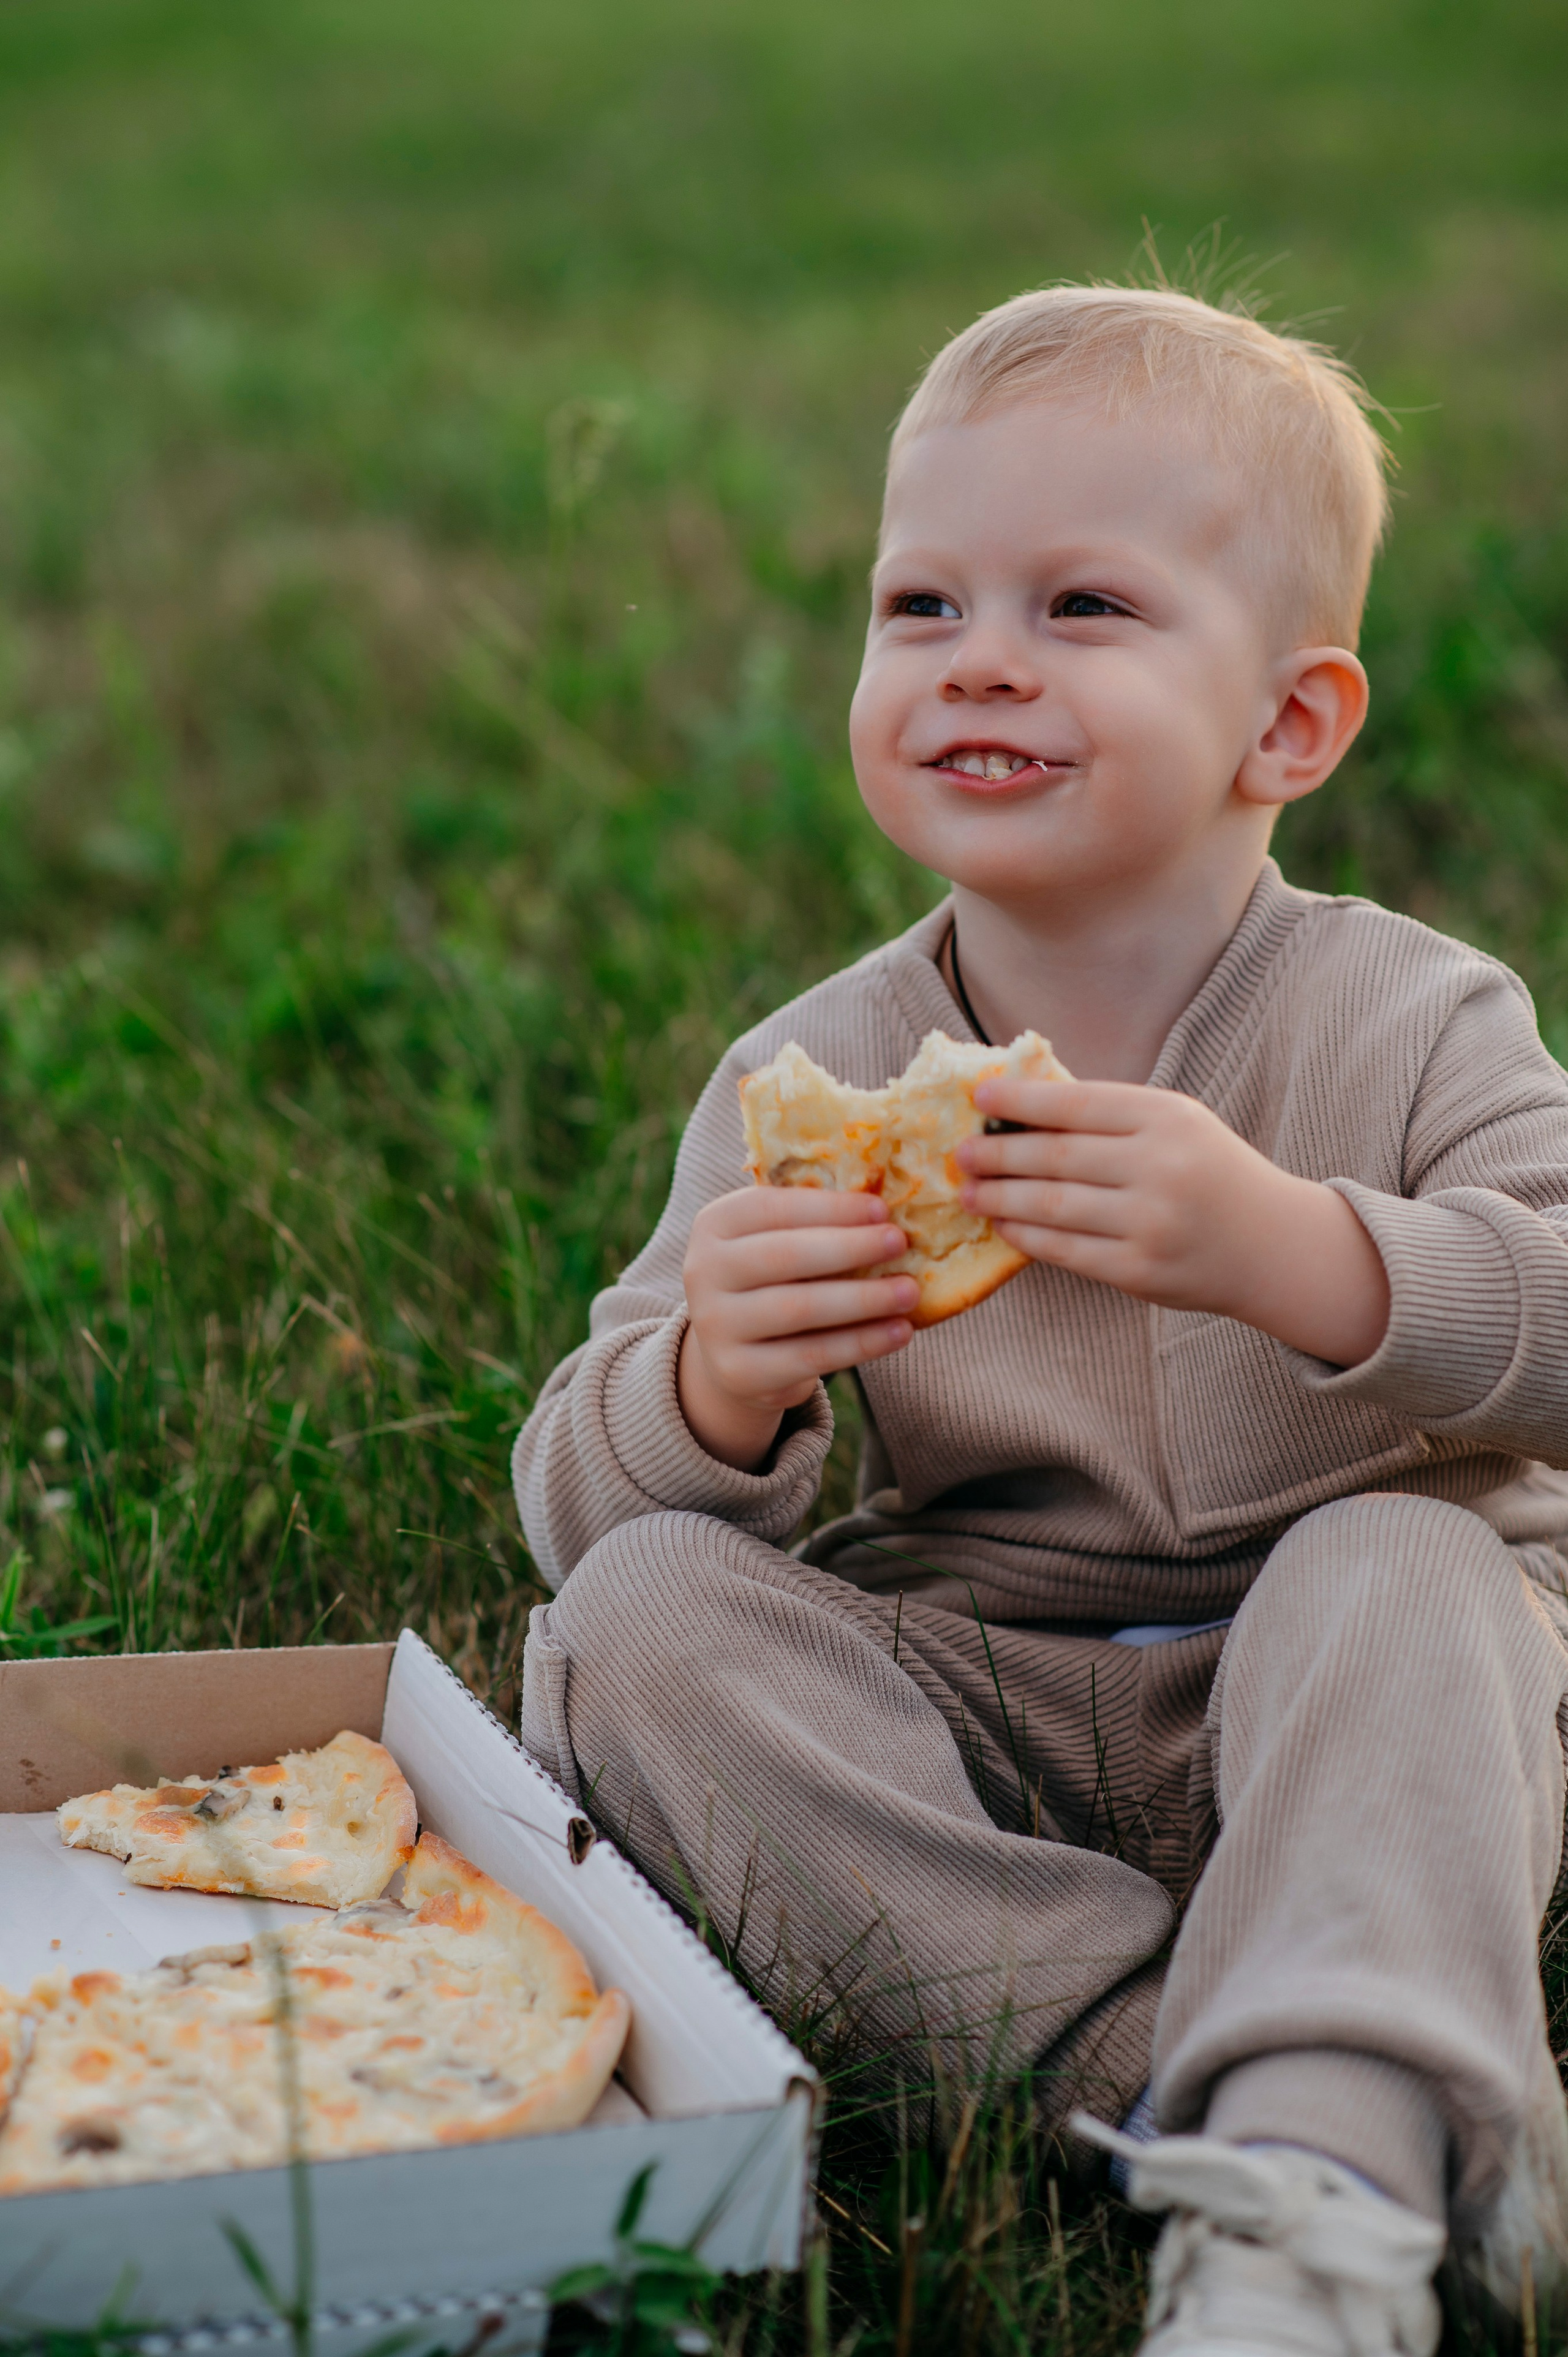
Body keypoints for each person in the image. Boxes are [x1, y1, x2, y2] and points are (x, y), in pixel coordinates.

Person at [512, 284, 1568, 2357]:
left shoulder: (1413, 1016)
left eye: (1084, 605)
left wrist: (1307, 1255)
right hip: (979, 1693)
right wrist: (715, 1386)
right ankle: (1205, 2084)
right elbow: (567, 1495)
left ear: (1290, 726)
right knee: (630, 1622)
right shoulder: (806, 1080)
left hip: (1350, 1685)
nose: (977, 655)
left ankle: (1312, 2226)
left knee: (1403, 1561)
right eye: (921, 604)